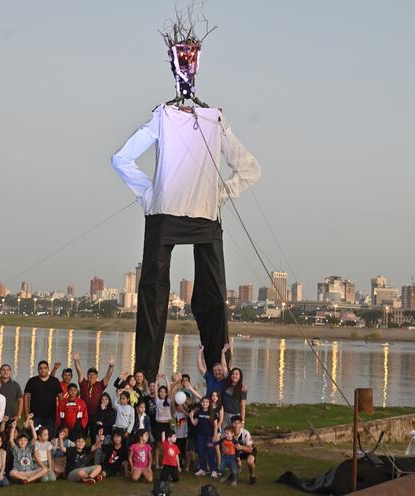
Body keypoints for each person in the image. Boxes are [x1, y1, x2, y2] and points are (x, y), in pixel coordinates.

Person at [111, 32, 262, 380]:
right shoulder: (212, 119)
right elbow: (251, 169)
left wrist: (149, 194)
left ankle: (144, 378)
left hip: (166, 213)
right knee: (211, 296)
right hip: (202, 216)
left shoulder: (166, 117)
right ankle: (217, 374)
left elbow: (121, 159)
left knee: (153, 294)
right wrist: (219, 194)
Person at [74, 353, 115, 433]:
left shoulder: (100, 385)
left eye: (94, 375)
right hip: (83, 414)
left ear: (96, 377)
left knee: (94, 435)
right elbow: (79, 372)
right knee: (82, 434)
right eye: (90, 374)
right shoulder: (83, 383)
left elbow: (108, 376)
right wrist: (76, 361)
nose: (92, 376)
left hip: (96, 414)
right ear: (87, 375)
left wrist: (111, 366)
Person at [24, 360, 64, 436]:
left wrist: (60, 414)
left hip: (51, 416)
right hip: (36, 416)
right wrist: (26, 415)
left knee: (49, 436)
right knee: (35, 436)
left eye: (45, 368)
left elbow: (60, 397)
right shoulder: (32, 381)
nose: (43, 370)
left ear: (48, 369)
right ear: (38, 370)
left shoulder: (54, 381)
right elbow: (26, 397)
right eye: (40, 368)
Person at [189, 396, 219, 477]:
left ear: (209, 404)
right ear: (201, 403)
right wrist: (191, 417)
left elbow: (216, 425)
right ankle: (203, 469)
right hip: (200, 436)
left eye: (207, 402)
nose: (205, 403)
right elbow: (195, 423)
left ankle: (213, 470)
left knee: (210, 453)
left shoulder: (212, 413)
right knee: (201, 453)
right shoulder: (198, 412)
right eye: (203, 402)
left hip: (209, 436)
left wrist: (215, 435)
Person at [153, 376, 173, 469]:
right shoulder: (157, 401)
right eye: (161, 391)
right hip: (158, 424)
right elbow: (155, 390)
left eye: (164, 392)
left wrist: (166, 379)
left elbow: (169, 390)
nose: (162, 393)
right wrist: (157, 381)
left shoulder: (168, 400)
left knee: (166, 445)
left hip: (166, 425)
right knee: (157, 445)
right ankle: (156, 464)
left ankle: (165, 464)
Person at [0, 364, 23, 433]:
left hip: (11, 417)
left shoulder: (15, 385)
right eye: (3, 370)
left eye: (7, 370)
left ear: (10, 372)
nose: (5, 372)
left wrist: (18, 416)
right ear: (0, 371)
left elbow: (20, 400)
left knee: (9, 437)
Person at [232, 415, 257, 485]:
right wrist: (238, 459)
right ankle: (234, 473)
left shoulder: (246, 433)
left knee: (250, 461)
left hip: (248, 450)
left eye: (238, 423)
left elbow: (250, 450)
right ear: (231, 424)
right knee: (229, 458)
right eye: (234, 423)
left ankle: (252, 476)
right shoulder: (229, 433)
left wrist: (241, 447)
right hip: (237, 452)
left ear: (241, 424)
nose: (236, 425)